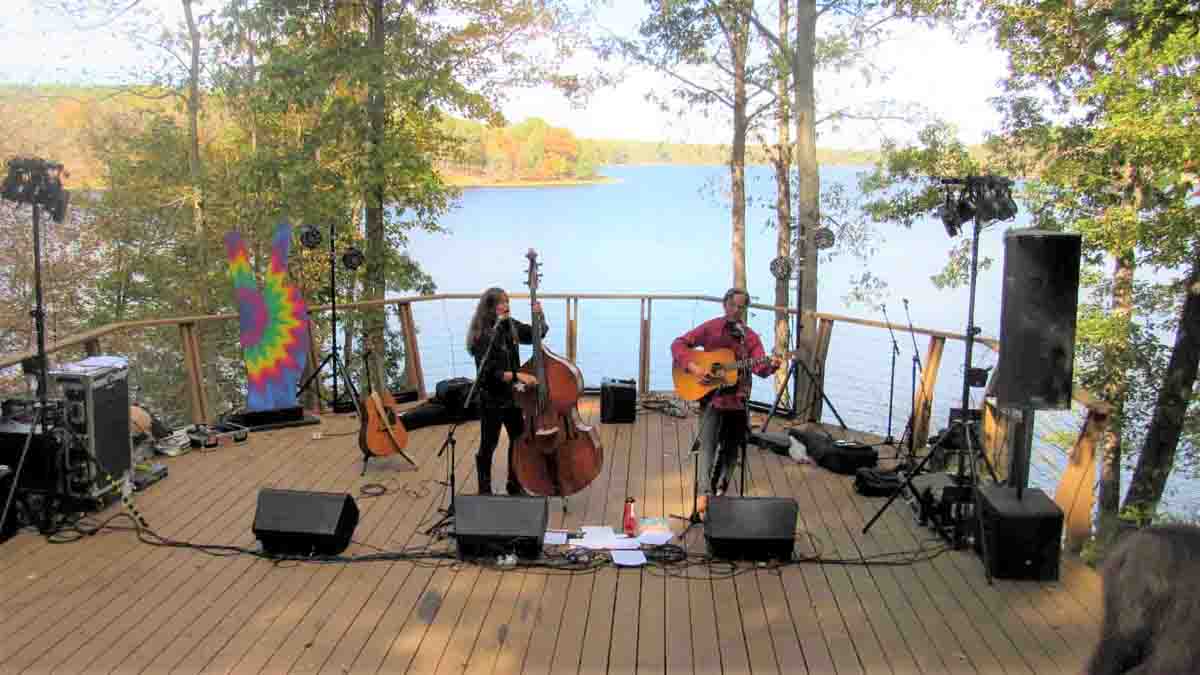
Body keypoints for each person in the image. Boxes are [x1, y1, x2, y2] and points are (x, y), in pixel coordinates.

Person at [671, 288, 781, 518]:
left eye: (742, 307)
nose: (737, 310)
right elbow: (678, 344)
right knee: (707, 446)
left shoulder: (749, 337)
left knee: (731, 450)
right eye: (734, 305)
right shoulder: (711, 328)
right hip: (713, 399)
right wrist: (693, 367)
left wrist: (772, 365)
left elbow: (760, 368)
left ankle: (720, 493)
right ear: (725, 304)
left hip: (738, 401)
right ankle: (703, 495)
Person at [465, 287, 546, 496]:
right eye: (501, 302)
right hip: (491, 397)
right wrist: (518, 376)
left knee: (518, 439)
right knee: (488, 444)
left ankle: (514, 483)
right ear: (490, 307)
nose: (506, 306)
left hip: (511, 397)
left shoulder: (509, 325)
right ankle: (484, 490)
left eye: (507, 301)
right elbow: (491, 374)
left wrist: (539, 315)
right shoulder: (483, 335)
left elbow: (536, 335)